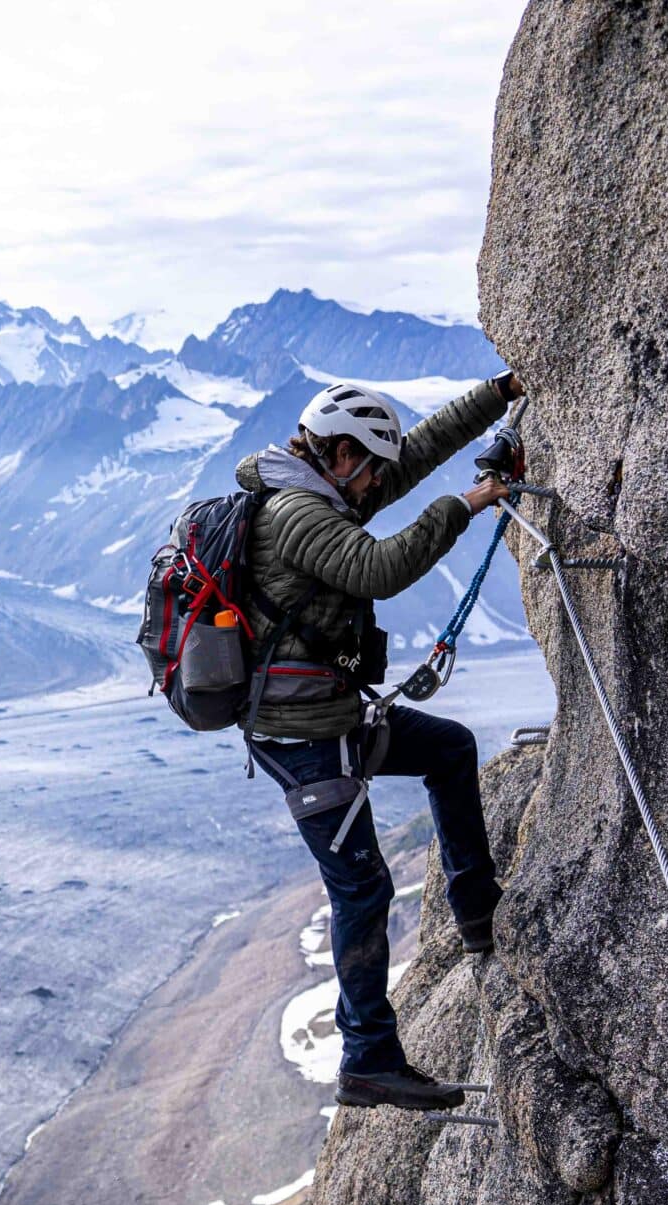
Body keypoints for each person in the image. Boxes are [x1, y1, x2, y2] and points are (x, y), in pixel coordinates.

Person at [236, 372, 523, 1111]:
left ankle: (477, 912)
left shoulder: (328, 489)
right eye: (367, 467)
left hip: (331, 717)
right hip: (304, 737)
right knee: (361, 887)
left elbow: (417, 453)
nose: (374, 484)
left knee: (450, 749)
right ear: (338, 453)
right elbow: (380, 568)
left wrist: (501, 391)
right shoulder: (299, 514)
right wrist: (468, 503)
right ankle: (367, 1059)